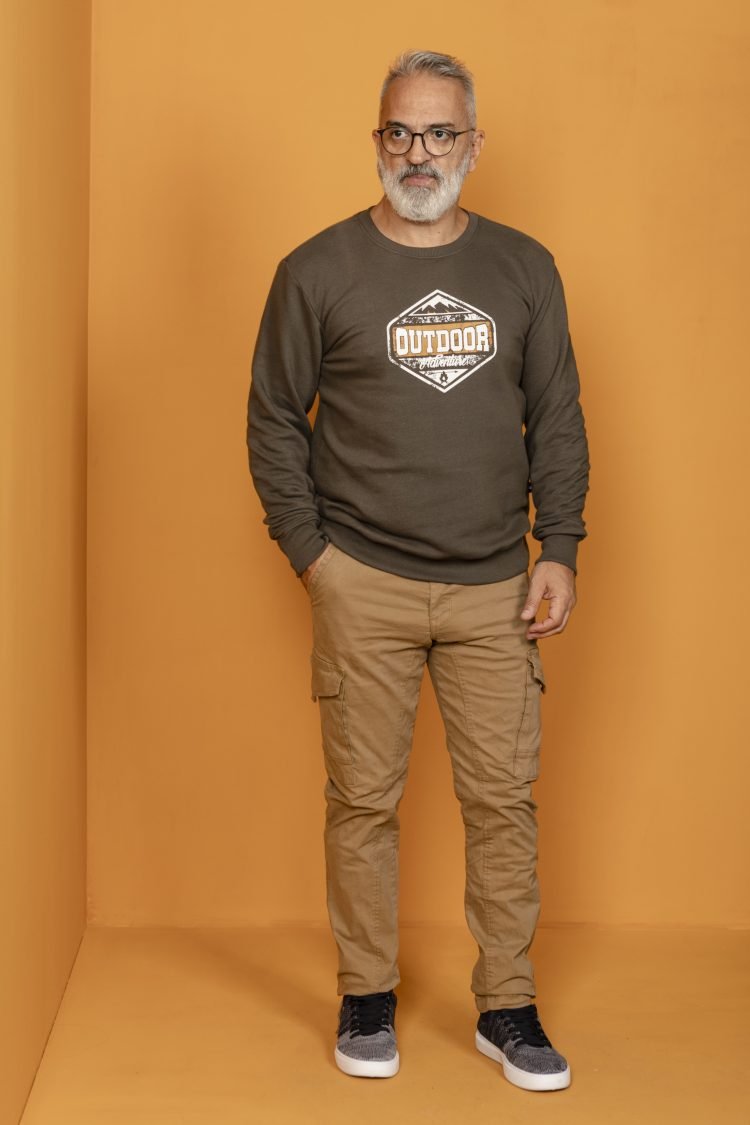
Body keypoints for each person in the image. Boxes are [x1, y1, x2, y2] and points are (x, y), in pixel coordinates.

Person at [246, 49, 590, 1091]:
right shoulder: (316, 270)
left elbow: (557, 417)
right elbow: (274, 419)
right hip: (364, 580)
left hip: (496, 588)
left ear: (474, 144)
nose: (419, 152)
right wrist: (314, 557)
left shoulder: (524, 268)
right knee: (363, 801)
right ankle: (366, 993)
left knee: (504, 802)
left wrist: (559, 547)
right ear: (378, 140)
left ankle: (508, 1006)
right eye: (400, 131)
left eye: (441, 132)